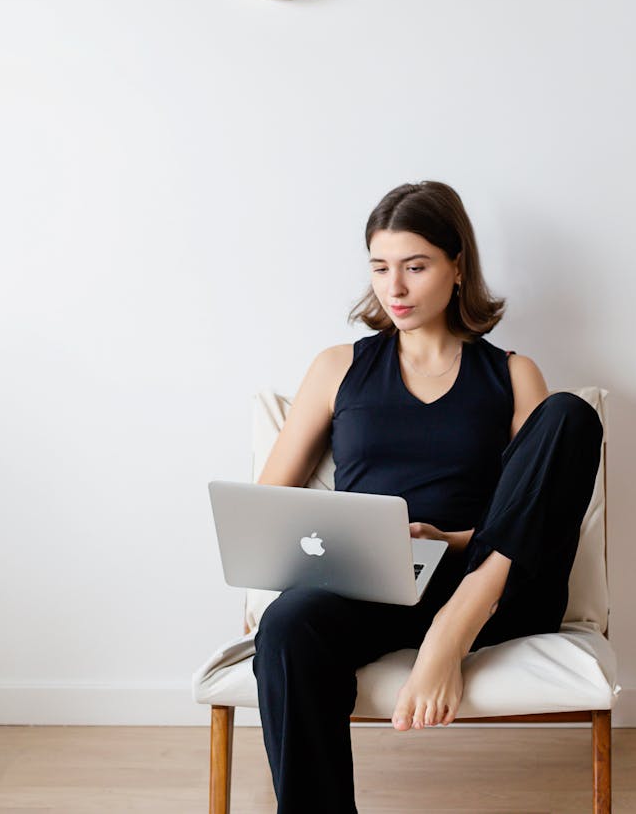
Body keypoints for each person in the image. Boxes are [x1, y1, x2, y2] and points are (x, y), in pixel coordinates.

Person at [252, 180, 603, 814]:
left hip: (491, 583)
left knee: (570, 417)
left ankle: (451, 631)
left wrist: (454, 543)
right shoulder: (338, 368)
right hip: (378, 582)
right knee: (287, 626)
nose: (396, 288)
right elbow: (267, 509)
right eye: (381, 268)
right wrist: (360, 544)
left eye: (416, 267)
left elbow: (541, 510)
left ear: (457, 266)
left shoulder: (512, 373)